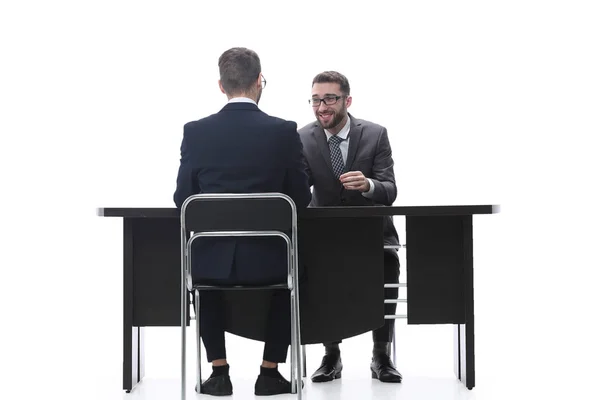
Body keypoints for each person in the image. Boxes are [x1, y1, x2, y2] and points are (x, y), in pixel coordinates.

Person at [173, 47, 311, 396]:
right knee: (294, 273)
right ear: (259, 81)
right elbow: (300, 197)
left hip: (210, 263)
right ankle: (269, 372)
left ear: (221, 85)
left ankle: (218, 373)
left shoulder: (196, 131)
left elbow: (183, 200)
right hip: (271, 260)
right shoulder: (283, 131)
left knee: (205, 278)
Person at [298, 71, 403, 384]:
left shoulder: (375, 134)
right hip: (325, 236)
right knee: (316, 272)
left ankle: (381, 355)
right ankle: (331, 355)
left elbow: (390, 189)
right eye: (316, 99)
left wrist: (369, 184)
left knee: (388, 266)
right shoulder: (302, 138)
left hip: (372, 235)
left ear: (347, 100)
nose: (322, 106)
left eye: (329, 98)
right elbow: (301, 190)